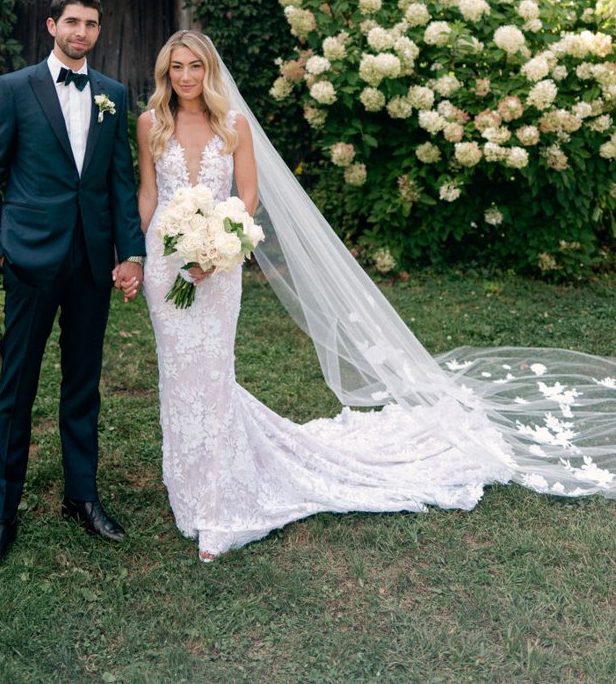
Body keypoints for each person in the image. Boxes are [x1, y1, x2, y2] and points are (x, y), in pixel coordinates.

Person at [138, 30, 616, 561]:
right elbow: (149, 193)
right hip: (167, 265)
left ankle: (220, 495)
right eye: (176, 67)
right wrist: (160, 252)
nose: (185, 77)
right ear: (166, 72)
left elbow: (246, 197)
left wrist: (218, 250)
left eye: (195, 67)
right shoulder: (150, 124)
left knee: (213, 372)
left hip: (219, 266)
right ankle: (187, 485)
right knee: (177, 374)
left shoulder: (234, 125)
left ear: (209, 71)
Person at [0, 0, 145, 571]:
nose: (82, 32)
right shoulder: (13, 90)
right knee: (16, 389)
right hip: (31, 260)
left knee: (82, 385)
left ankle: (82, 496)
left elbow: (121, 184)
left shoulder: (113, 96)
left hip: (93, 263)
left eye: (92, 24)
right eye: (72, 22)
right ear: (51, 25)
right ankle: (2, 514)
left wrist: (132, 254)